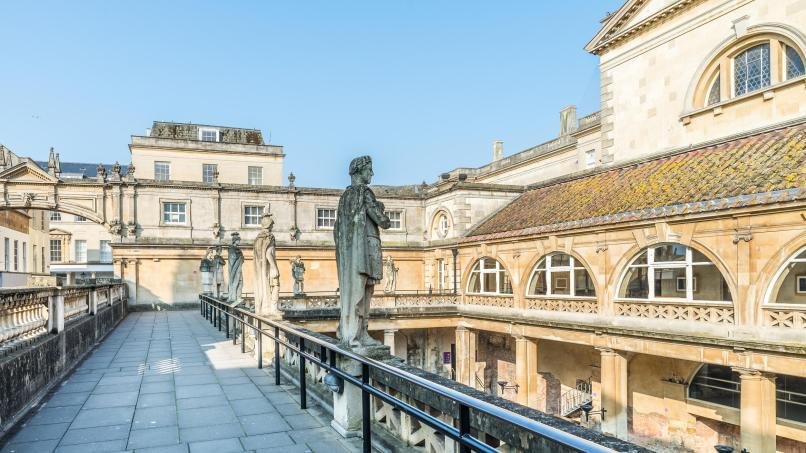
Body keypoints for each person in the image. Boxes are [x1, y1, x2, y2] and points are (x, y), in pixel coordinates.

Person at [334, 156, 391, 347]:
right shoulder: (364, 193)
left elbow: (337, 230)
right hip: (365, 250)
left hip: (350, 255)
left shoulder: (345, 197)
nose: (372, 173)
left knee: (357, 291)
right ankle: (358, 334)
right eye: (369, 169)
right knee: (364, 291)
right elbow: (383, 221)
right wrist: (381, 209)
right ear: (360, 171)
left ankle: (355, 332)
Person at [227, 232, 244, 304]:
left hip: (239, 269)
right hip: (235, 269)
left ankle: (238, 298)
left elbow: (242, 258)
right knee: (235, 283)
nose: (239, 241)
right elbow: (232, 259)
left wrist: (240, 256)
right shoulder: (232, 249)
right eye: (238, 240)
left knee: (240, 283)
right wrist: (239, 256)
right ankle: (233, 298)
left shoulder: (238, 249)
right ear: (235, 241)